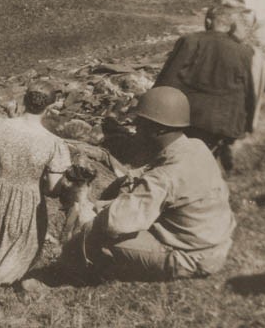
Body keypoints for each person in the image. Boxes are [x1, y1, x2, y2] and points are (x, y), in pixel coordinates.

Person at [58, 87, 236, 283]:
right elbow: (150, 171)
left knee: (95, 232)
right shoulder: (195, 145)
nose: (136, 129)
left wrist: (95, 213)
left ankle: (67, 275)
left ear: (158, 128)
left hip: (194, 257)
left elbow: (114, 224)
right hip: (216, 242)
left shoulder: (164, 177)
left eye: (141, 123)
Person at [0, 81, 72, 294]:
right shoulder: (53, 143)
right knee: (21, 242)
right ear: (49, 107)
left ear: (23, 100)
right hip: (29, 196)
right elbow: (52, 189)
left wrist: (3, 171)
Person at [154, 6, 257, 172]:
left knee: (176, 162)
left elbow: (168, 79)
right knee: (204, 163)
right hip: (224, 123)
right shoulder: (244, 51)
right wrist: (247, 125)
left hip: (190, 119)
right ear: (231, 26)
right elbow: (248, 91)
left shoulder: (191, 41)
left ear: (208, 21)